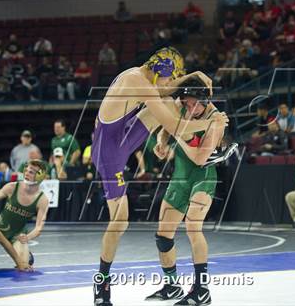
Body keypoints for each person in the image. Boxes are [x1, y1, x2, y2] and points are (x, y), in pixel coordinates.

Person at [91, 47, 228, 306]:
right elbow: (173, 123)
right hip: (110, 155)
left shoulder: (141, 76)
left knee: (166, 102)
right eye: (168, 77)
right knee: (120, 222)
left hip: (120, 137)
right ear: (159, 72)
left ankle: (204, 148)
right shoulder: (136, 81)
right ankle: (102, 286)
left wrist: (195, 74)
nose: (168, 83)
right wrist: (213, 123)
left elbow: (164, 90)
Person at [145, 77, 234, 305]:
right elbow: (166, 124)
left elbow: (200, 157)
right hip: (180, 176)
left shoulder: (217, 120)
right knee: (163, 236)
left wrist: (177, 133)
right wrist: (162, 141)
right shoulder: (182, 106)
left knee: (193, 228)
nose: (190, 108)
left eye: (194, 104)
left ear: (205, 100)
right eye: (186, 103)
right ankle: (172, 285)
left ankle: (201, 290)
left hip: (202, 177)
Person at [0, 160, 49, 267]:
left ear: (39, 176)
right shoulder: (12, 187)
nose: (26, 173)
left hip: (18, 234)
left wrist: (27, 237)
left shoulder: (42, 200)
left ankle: (27, 255)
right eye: (26, 170)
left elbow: (39, 228)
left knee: (24, 266)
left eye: (31, 172)